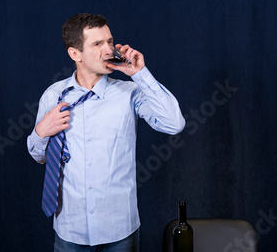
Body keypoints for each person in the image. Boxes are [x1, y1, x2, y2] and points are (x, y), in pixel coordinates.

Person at [27, 13, 185, 251]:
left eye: (110, 42)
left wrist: (140, 74)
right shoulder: (53, 96)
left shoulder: (129, 93)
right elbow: (39, 156)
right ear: (75, 54)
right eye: (97, 44)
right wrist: (40, 132)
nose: (108, 50)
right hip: (71, 230)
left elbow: (174, 124)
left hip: (119, 230)